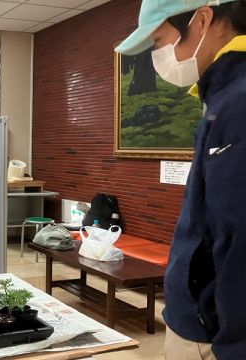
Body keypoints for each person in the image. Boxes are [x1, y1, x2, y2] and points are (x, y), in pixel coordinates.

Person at [116, 1, 246, 358]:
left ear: (203, 19)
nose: (159, 56)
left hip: (211, 334)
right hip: (197, 320)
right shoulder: (221, 98)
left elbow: (238, 239)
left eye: (159, 41)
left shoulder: (238, 104)